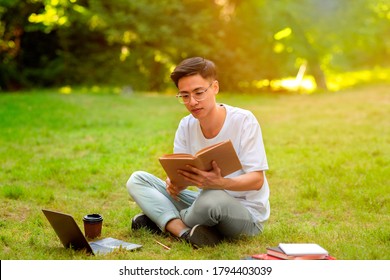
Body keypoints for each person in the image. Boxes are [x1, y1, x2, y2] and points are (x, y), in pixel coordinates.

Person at [126, 57, 270, 248]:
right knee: (138, 180)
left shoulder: (244, 121)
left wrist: (222, 183)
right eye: (184, 96)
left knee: (211, 199)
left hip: (245, 213)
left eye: (199, 93)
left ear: (215, 88)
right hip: (203, 202)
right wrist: (174, 184)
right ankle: (185, 232)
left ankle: (163, 219)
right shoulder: (186, 125)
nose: (192, 102)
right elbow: (182, 179)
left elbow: (257, 180)